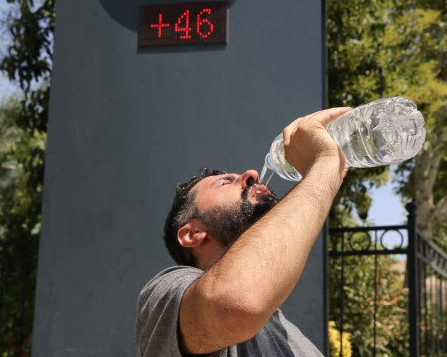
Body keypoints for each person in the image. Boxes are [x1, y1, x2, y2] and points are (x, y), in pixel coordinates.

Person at [136, 107, 352, 356]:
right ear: (192, 234)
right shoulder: (167, 292)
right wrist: (325, 164)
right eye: (225, 182)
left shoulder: (293, 337)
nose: (251, 174)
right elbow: (238, 304)